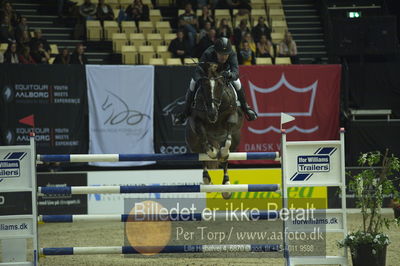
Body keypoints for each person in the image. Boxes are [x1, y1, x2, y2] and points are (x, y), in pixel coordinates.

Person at [174, 37, 258, 125]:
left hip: (225, 73)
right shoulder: (208, 53)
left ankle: (246, 108)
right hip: (208, 75)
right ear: (215, 51)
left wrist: (230, 75)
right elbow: (198, 71)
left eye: (226, 54)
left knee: (237, 83)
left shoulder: (232, 54)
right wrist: (202, 78)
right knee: (193, 83)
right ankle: (185, 113)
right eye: (221, 54)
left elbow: (235, 72)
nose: (224, 57)